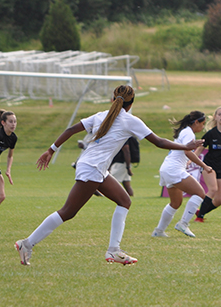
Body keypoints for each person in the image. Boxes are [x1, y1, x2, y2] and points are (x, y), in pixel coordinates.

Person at [14, 85, 202, 266]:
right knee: (68, 211)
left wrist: (51, 150)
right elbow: (159, 142)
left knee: (124, 200)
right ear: (131, 104)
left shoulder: (101, 115)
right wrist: (186, 147)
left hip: (93, 166)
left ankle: (113, 250)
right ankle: (27, 244)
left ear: (113, 99)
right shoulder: (129, 120)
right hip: (92, 168)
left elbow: (71, 130)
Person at [152, 111, 213, 238]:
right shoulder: (188, 132)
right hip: (173, 169)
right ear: (196, 122)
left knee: (175, 203)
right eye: (202, 124)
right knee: (200, 193)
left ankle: (159, 231)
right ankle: (183, 224)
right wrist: (204, 166)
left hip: (167, 168)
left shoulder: (184, 131)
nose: (202, 127)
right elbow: (187, 151)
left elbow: (184, 150)